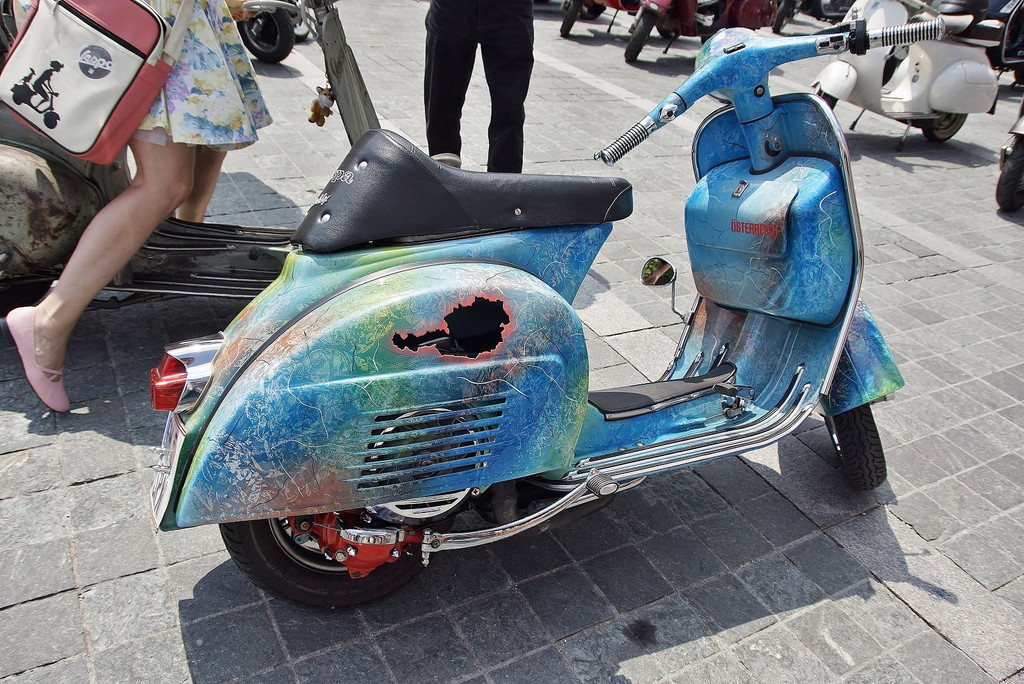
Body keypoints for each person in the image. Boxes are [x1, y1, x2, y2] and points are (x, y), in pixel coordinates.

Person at [1, 0, 271, 412]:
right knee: (164, 184)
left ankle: (180, 245)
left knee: (201, 147)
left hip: (164, 22)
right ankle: (48, 321)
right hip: (146, 24)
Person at [423, 0, 534, 173]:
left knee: (509, 112)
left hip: (511, 9)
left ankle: (505, 185)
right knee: (441, 107)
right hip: (452, 7)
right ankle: (443, 181)